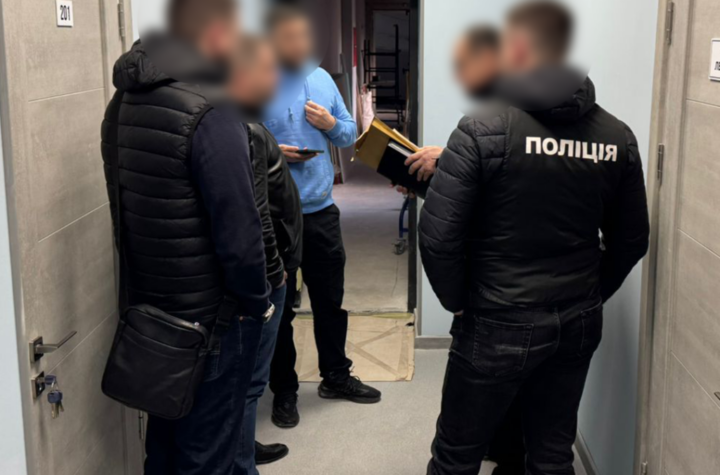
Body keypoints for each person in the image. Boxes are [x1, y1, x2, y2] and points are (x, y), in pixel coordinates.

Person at [420, 2, 650, 474]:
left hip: (497, 318)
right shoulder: (618, 137)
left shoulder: (481, 129)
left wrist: (457, 302)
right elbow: (631, 240)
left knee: (457, 455)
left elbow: (439, 237)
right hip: (577, 321)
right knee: (550, 453)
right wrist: (589, 294)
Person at [101, 1, 273, 474]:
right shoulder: (211, 109)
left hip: (152, 313)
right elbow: (240, 233)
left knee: (165, 445)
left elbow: (124, 208)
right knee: (208, 455)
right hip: (211, 322)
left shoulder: (124, 101)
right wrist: (257, 302)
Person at [264, 5, 382, 429]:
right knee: (280, 310)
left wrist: (331, 123)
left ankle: (336, 376)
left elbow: (350, 134)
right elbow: (238, 142)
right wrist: (273, 151)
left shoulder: (322, 79)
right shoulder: (257, 82)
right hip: (275, 215)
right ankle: (284, 391)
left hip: (321, 211)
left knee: (330, 301)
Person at [227, 36, 304, 473]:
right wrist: (276, 274)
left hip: (266, 271)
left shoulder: (245, 123)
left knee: (247, 379)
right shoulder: (246, 130)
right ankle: (242, 461)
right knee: (250, 379)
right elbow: (257, 214)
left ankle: (243, 447)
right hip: (265, 278)